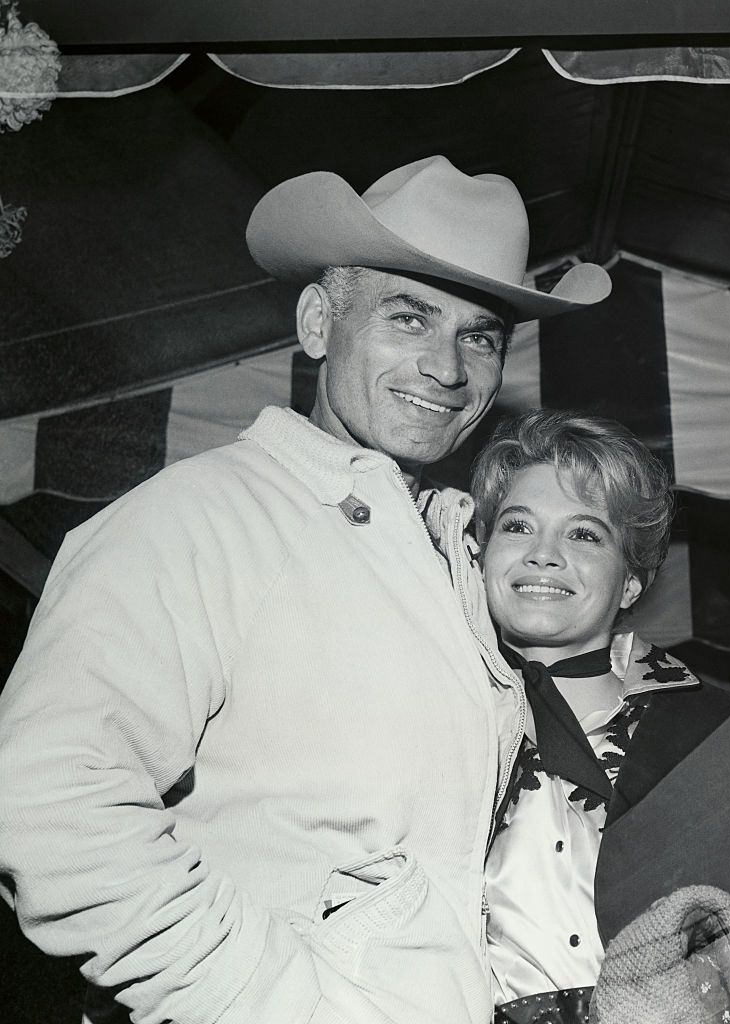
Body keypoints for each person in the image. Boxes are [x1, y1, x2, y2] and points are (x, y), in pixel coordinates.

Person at [0, 157, 610, 1024]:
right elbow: (48, 801)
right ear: (319, 321)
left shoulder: (451, 555)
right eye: (410, 317)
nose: (448, 368)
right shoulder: (199, 517)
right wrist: (276, 1003)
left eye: (480, 335)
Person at [466, 409, 730, 1024]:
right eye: (519, 526)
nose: (545, 555)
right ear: (481, 554)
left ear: (629, 583)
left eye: (585, 534)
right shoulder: (423, 725)